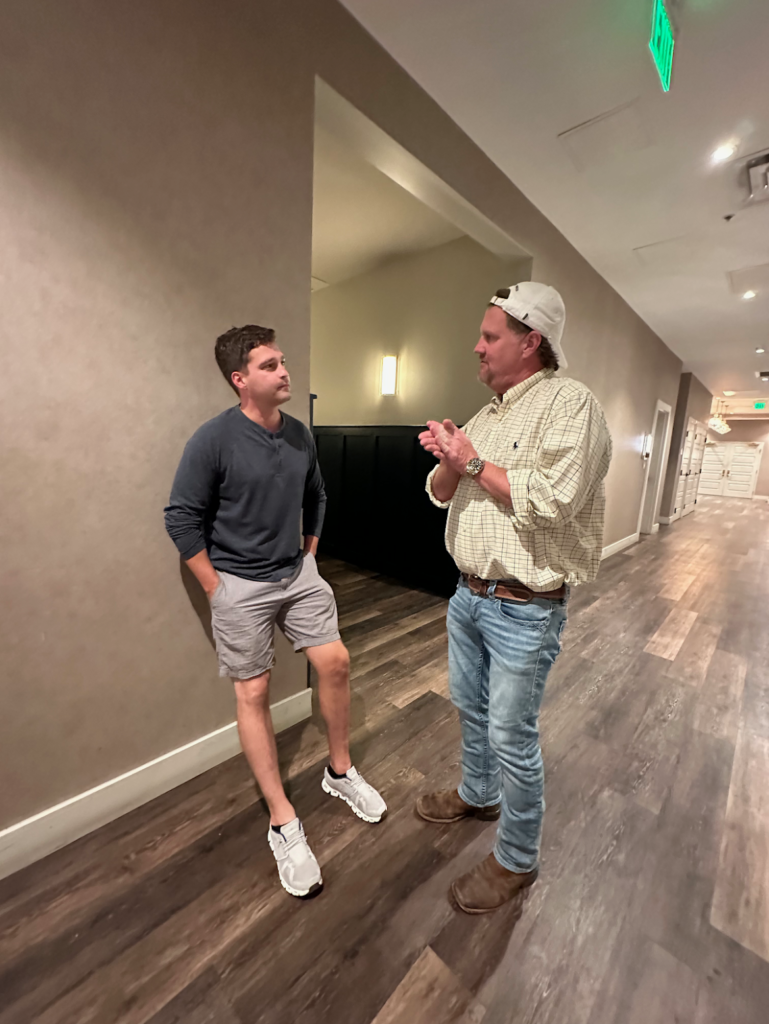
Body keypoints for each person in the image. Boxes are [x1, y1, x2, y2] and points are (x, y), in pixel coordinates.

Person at [164, 324, 386, 900]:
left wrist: (309, 554)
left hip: (296, 572)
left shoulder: (299, 435)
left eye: (282, 361)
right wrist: (216, 588)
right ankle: (283, 820)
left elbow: (317, 495)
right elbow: (180, 517)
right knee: (254, 691)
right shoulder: (213, 440)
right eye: (270, 365)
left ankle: (340, 772)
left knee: (335, 661)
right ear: (240, 379)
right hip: (238, 583)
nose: (284, 371)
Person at [416, 283, 612, 914]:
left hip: (524, 607)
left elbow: (555, 501)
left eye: (490, 336)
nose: (477, 347)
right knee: (471, 710)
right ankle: (478, 794)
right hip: (467, 596)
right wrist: (452, 457)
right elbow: (440, 493)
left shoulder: (571, 404)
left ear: (531, 342)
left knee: (511, 734)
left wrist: (472, 462)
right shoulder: (487, 416)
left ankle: (517, 859)